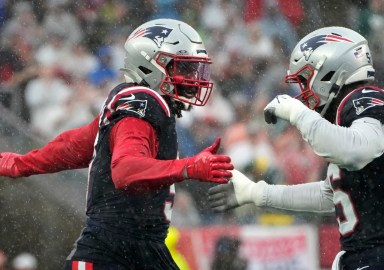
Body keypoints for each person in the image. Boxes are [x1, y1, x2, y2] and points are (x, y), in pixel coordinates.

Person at [0, 18, 234, 270]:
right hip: (113, 253)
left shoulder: (135, 102)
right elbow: (125, 171)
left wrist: (22, 164)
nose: (192, 77)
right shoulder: (143, 104)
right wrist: (189, 167)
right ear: (151, 65)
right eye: (184, 68)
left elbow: (76, 145)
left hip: (133, 249)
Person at [208, 26, 384, 269]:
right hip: (369, 253)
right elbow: (333, 194)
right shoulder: (348, 113)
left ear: (329, 69)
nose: (302, 92)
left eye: (305, 80)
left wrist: (295, 112)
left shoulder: (364, 97)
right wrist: (257, 193)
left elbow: (356, 150)